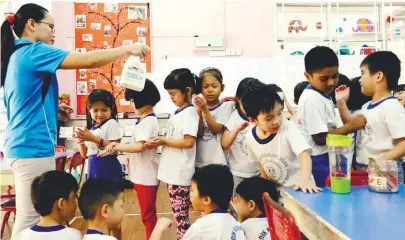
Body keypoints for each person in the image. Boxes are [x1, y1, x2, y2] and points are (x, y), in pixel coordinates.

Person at [0, 4, 150, 237]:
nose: (53, 33)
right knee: (30, 218)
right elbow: (89, 61)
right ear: (31, 25)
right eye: (50, 26)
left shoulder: (16, 56)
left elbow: (22, 101)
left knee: (31, 216)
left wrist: (53, 108)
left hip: (25, 145)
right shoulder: (33, 51)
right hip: (31, 147)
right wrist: (128, 49)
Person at [296, 46, 367, 187]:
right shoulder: (312, 99)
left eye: (335, 76)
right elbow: (320, 138)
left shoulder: (323, 94)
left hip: (329, 156)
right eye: (324, 78)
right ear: (308, 76)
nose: (331, 83)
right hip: (319, 160)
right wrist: (351, 127)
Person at [99, 80, 161, 240]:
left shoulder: (148, 121)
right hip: (142, 174)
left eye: (133, 101)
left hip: (146, 176)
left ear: (143, 99)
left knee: (148, 216)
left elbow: (140, 146)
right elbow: (137, 146)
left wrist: (116, 147)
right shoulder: (144, 120)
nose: (132, 105)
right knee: (147, 215)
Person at [144, 69, 200, 239]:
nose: (172, 98)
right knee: (179, 216)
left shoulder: (190, 113)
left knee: (181, 217)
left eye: (174, 94)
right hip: (174, 173)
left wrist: (163, 141)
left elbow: (189, 142)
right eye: (169, 95)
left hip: (180, 173)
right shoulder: (179, 112)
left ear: (187, 91)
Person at [335, 51, 405, 183]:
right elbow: (351, 125)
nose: (360, 79)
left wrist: (382, 160)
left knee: (386, 203)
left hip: (384, 169)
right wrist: (341, 102)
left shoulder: (391, 106)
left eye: (363, 73)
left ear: (378, 76)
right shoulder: (367, 106)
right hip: (365, 168)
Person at [242, 84, 320, 193]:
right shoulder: (250, 137)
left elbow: (304, 155)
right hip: (278, 193)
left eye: (279, 113)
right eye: (269, 118)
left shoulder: (288, 127)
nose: (277, 121)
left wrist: (305, 181)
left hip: (301, 189)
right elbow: (261, 164)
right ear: (253, 120)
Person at [221, 78, 263, 195]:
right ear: (238, 100)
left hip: (258, 172)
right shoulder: (235, 116)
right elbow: (224, 143)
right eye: (248, 102)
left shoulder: (261, 116)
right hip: (237, 173)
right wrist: (236, 130)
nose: (252, 106)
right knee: (238, 207)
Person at [16, 170, 80, 240]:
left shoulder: (21, 236)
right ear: (62, 204)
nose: (76, 202)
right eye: (74, 197)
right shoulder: (73, 236)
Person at [76, 89, 122, 181]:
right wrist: (80, 141)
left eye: (104, 110)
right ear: (89, 110)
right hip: (93, 168)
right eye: (95, 110)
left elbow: (115, 147)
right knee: (95, 195)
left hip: (108, 169)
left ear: (111, 109)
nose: (100, 114)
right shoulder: (91, 129)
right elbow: (85, 155)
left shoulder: (112, 123)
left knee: (109, 195)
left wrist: (93, 138)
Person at [193, 67, 233, 168]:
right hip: (199, 161)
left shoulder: (225, 106)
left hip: (218, 162)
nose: (210, 90)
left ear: (222, 87)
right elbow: (200, 133)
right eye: (205, 87)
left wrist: (204, 110)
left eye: (214, 86)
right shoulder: (196, 107)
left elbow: (216, 129)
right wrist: (199, 110)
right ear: (200, 89)